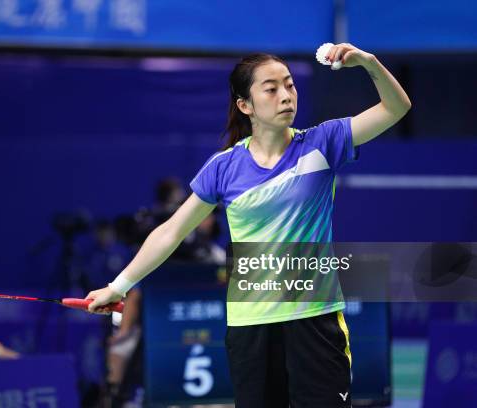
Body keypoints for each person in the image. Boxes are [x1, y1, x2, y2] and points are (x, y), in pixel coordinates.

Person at [86, 43, 411, 407]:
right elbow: (172, 231)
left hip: (314, 319)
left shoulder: (322, 143)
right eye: (271, 89)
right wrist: (119, 286)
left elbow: (396, 108)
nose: (286, 95)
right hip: (251, 325)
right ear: (246, 105)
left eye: (290, 85)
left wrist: (368, 63)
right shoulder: (224, 167)